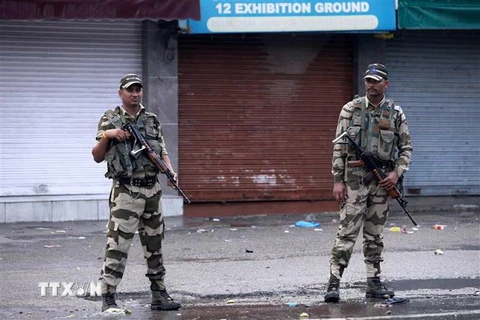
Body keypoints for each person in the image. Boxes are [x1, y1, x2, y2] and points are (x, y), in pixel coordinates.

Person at [92, 74, 181, 312]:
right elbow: (97, 155)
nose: (135, 93)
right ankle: (108, 297)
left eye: (138, 89)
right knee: (117, 245)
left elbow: (161, 150)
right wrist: (108, 135)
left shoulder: (151, 119)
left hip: (152, 189)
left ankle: (159, 294)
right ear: (120, 93)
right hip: (126, 191)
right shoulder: (110, 119)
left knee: (154, 244)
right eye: (130, 90)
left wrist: (170, 173)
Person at [324, 63, 413, 303]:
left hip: (382, 182)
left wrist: (396, 172)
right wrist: (337, 181)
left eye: (376, 81)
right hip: (354, 180)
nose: (371, 85)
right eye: (368, 81)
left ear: (386, 83)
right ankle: (333, 284)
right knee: (347, 232)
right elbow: (339, 147)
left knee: (374, 235)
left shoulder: (395, 112)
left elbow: (406, 148)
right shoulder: (350, 110)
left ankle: (374, 283)